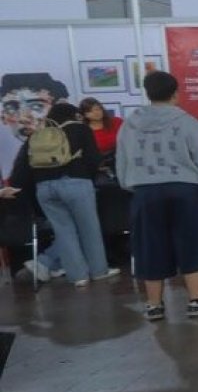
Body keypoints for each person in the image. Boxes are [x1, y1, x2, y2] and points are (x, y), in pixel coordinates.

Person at [116, 72, 198, 320]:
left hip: (145, 192)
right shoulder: (187, 122)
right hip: (185, 190)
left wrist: (133, 185)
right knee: (191, 243)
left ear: (147, 93)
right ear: (175, 93)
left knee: (149, 246)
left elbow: (122, 160)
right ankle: (197, 302)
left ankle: (154, 305)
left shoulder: (130, 124)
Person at [8, 102, 118, 287]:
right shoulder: (80, 129)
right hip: (76, 183)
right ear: (73, 115)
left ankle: (78, 277)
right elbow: (93, 159)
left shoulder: (38, 134)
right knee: (89, 229)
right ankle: (99, 271)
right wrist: (87, 176)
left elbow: (21, 171)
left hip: (44, 188)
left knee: (64, 232)